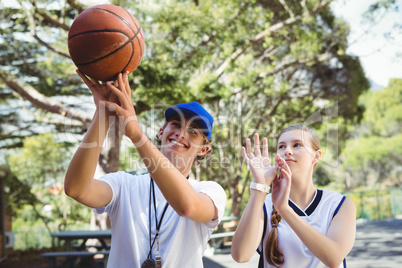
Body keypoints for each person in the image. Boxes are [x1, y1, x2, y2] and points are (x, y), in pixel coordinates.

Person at [64, 70, 226, 267]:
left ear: (204, 149)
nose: (181, 133)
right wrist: (103, 113)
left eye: (193, 131)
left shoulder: (210, 191)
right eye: (175, 124)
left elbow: (187, 206)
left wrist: (136, 135)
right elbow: (76, 189)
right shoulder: (124, 184)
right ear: (161, 132)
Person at [231, 125, 356, 268]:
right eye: (281, 147)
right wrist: (259, 186)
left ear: (316, 156)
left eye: (297, 145)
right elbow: (240, 255)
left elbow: (334, 258)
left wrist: (284, 209)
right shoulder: (263, 204)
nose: (287, 151)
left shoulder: (339, 204)